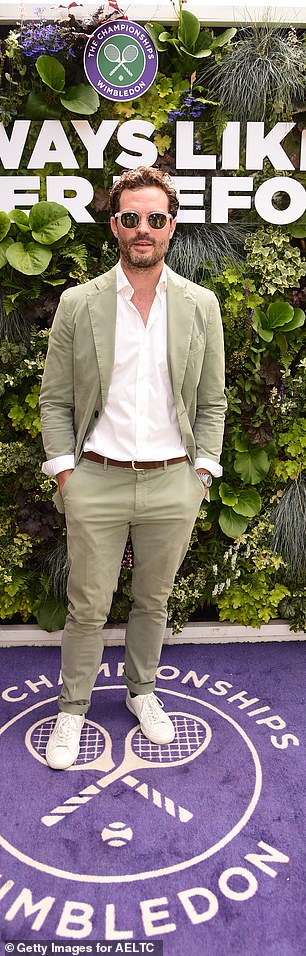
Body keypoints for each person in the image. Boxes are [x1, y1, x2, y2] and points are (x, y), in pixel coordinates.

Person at [39, 165, 226, 770]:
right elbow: (55, 398)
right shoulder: (79, 303)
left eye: (156, 218)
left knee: (154, 599)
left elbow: (213, 399)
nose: (143, 228)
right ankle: (72, 709)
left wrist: (203, 469)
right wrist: (67, 473)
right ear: (115, 225)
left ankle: (143, 692)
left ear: (172, 226)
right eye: (131, 217)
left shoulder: (200, 304)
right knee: (87, 605)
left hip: (175, 480)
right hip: (97, 477)